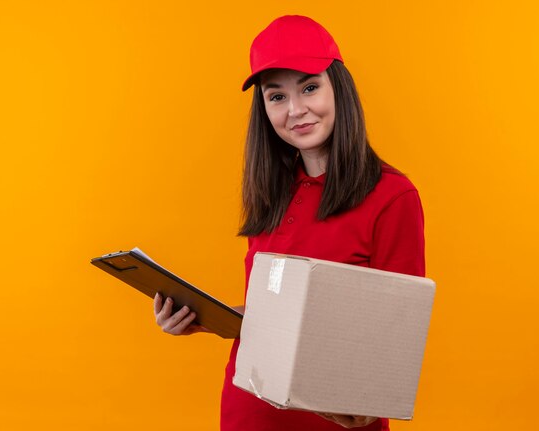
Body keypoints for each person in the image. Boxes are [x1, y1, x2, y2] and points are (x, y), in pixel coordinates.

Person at [153, 15, 425, 430]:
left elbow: (397, 333)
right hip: (249, 410)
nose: (295, 110)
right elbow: (276, 313)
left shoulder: (392, 196)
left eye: (310, 87)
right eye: (276, 96)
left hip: (334, 419)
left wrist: (368, 402)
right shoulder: (272, 192)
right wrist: (206, 318)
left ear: (340, 89)